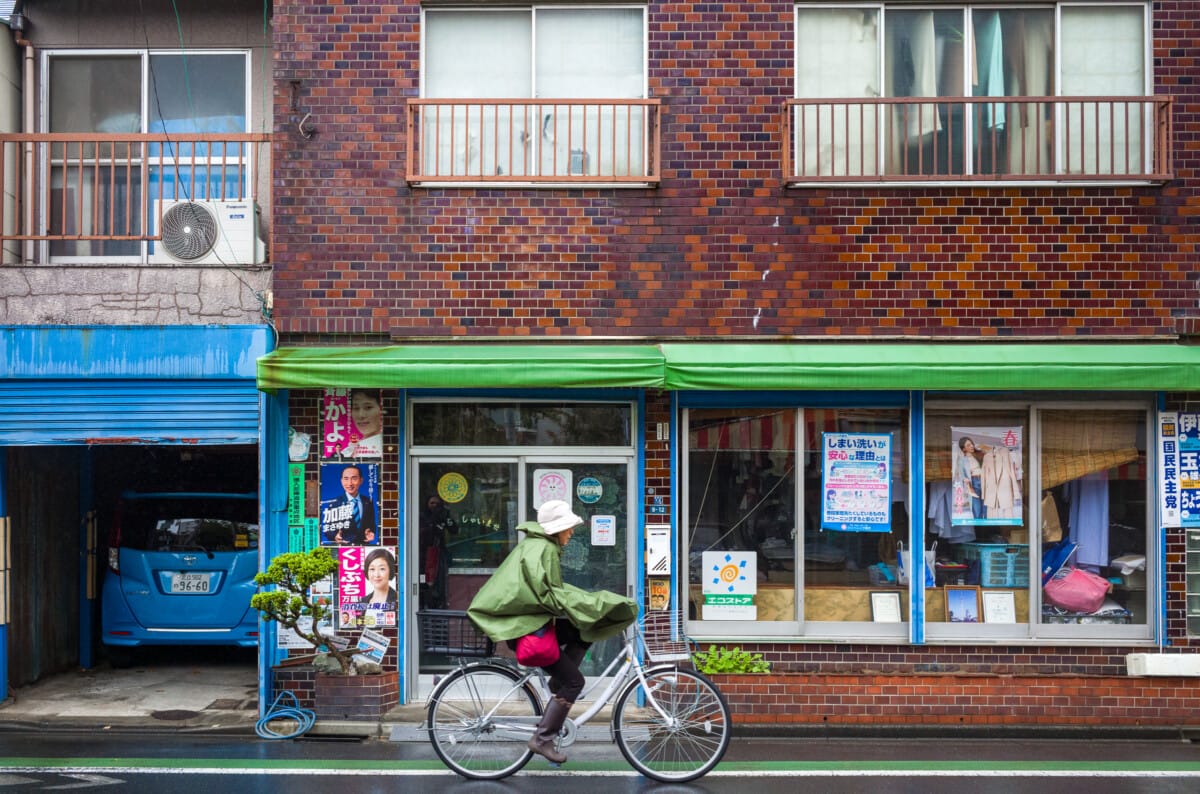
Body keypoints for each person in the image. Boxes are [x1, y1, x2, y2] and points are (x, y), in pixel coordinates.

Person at [467, 500, 636, 765]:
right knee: (576, 682)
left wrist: (582, 606)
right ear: (556, 529)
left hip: (530, 625)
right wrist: (589, 603)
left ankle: (556, 686)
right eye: (568, 528)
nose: (571, 533)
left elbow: (546, 591)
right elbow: (547, 594)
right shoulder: (543, 548)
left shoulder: (538, 545)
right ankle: (543, 738)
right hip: (530, 630)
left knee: (583, 629)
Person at [321, 464, 378, 545]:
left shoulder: (368, 501)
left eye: (354, 479)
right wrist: (335, 536)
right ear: (341, 481)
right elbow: (327, 530)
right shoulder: (334, 503)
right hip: (343, 548)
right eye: (346, 479)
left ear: (361, 480)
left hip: (363, 548)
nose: (350, 483)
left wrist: (371, 533)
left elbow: (372, 525)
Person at [418, 494, 458, 609]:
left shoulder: (443, 516)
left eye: (437, 504)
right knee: (424, 581)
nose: (435, 506)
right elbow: (420, 533)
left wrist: (446, 517)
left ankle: (438, 605)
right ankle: (423, 604)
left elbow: (454, 530)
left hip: (438, 553)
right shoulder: (422, 516)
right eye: (432, 503)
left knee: (439, 582)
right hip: (423, 554)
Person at [340, 389, 384, 459]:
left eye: (368, 407)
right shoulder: (351, 447)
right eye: (356, 408)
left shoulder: (382, 445)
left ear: (381, 409)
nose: (361, 415)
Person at [956, 436, 985, 520]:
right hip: (973, 482)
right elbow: (962, 475)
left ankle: (988, 528)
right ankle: (979, 529)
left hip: (984, 481)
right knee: (977, 508)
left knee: (986, 507)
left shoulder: (979, 455)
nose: (972, 446)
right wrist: (969, 486)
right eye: (968, 445)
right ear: (964, 449)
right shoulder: (962, 460)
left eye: (972, 444)